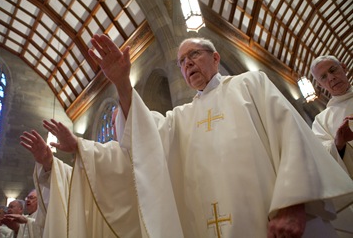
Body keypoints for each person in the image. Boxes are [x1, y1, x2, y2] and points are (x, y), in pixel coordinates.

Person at [88, 34, 353, 237]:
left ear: (215, 58)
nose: (187, 63)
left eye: (194, 54)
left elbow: (292, 137)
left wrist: (293, 203)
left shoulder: (250, 84)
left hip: (276, 224)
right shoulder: (180, 117)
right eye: (181, 62)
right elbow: (146, 139)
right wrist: (123, 84)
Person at [19, 109, 142, 238]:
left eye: (117, 121)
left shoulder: (138, 154)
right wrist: (49, 164)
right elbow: (75, 182)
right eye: (112, 123)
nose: (114, 127)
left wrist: (78, 144)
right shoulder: (107, 154)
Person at [310, 55, 353, 237]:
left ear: (343, 67)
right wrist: (338, 144)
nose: (331, 78)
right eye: (323, 77)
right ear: (321, 85)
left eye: (333, 70)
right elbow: (319, 159)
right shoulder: (321, 121)